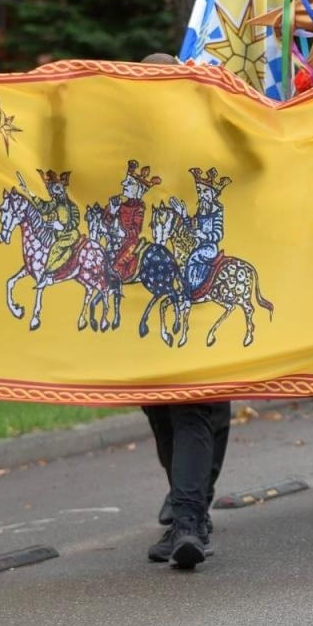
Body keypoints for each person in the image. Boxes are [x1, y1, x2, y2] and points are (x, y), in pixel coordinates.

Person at [136, 52, 233, 568]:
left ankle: (189, 520)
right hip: (146, 288)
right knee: (161, 410)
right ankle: (185, 506)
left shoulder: (210, 132)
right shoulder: (128, 140)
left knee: (192, 403)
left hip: (198, 279)